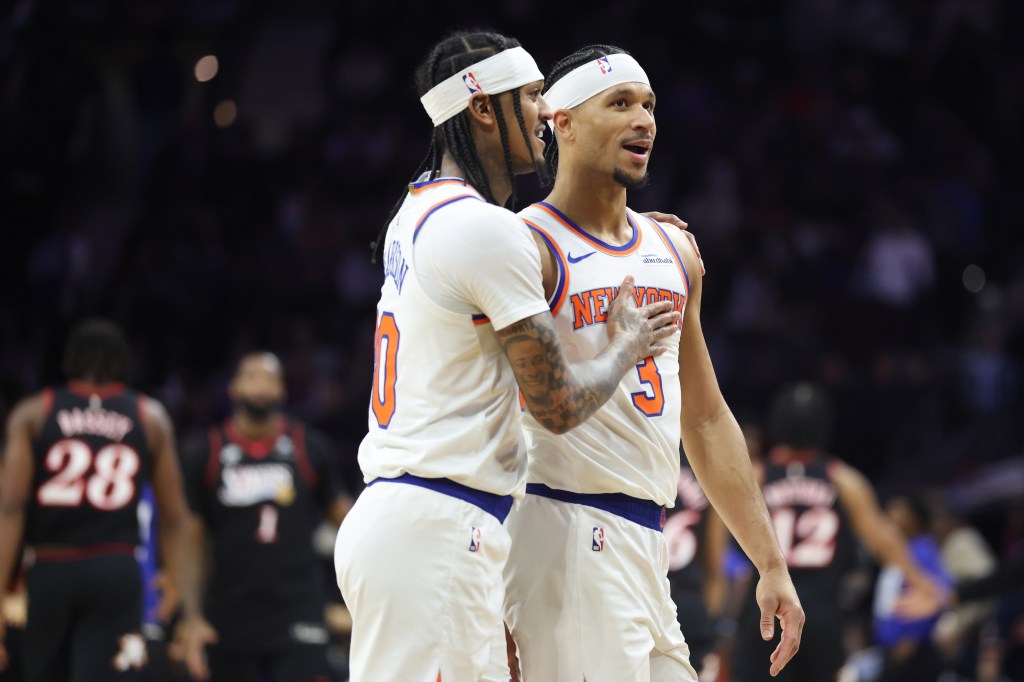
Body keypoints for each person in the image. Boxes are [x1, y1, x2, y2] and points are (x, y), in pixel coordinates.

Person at [333, 31, 680, 682]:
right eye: (529, 100)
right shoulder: (481, 230)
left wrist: (632, 228)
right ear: (482, 110)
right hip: (434, 523)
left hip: (429, 521)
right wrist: (627, 343)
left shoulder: (421, 212)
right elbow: (557, 404)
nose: (546, 116)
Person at [502, 45, 804, 682]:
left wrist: (769, 560)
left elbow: (706, 418)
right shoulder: (524, 246)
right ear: (563, 122)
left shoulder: (674, 249)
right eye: (620, 104)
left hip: (645, 542)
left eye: (649, 105)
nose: (645, 120)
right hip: (561, 531)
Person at [0, 318, 207, 681]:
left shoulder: (35, 412)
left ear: (69, 359)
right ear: (123, 362)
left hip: (51, 566)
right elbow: (176, 519)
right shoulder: (149, 416)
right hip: (116, 570)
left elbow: (9, 508)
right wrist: (183, 594)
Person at [730, 382, 942, 682]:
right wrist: (922, 582)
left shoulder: (757, 476)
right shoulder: (842, 479)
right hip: (823, 617)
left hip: (766, 612)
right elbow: (882, 537)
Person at [179, 351, 351, 682]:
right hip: (229, 611)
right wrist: (191, 616)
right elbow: (191, 540)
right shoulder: (207, 452)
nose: (261, 385)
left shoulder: (309, 447)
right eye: (252, 376)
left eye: (270, 378)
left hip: (298, 608)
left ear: (283, 391)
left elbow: (350, 526)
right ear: (233, 387)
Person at [665, 458, 730, 679]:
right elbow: (715, 564)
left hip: (637, 592)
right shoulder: (705, 466)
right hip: (688, 604)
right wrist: (711, 625)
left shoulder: (635, 450)